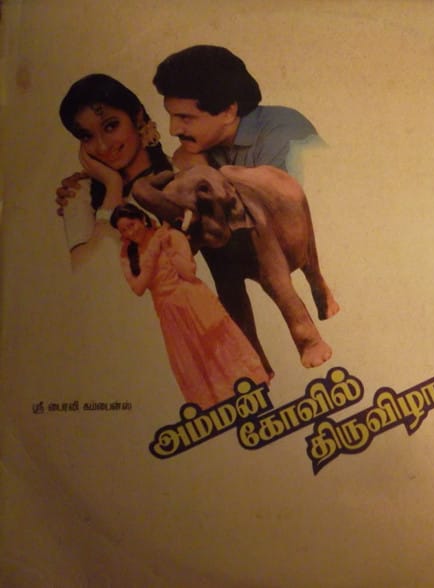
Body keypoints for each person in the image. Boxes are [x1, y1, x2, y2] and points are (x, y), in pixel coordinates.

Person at [110, 203, 270, 408]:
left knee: (220, 350)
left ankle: (251, 395)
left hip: (194, 301)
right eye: (123, 230)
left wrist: (168, 248)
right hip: (169, 313)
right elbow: (138, 287)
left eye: (131, 225)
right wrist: (154, 248)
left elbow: (188, 273)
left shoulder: (171, 236)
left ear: (142, 218)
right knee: (192, 362)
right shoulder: (127, 254)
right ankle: (218, 408)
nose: (130, 233)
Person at [152, 45, 321, 179]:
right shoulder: (209, 143)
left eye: (185, 118)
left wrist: (206, 175)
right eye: (171, 115)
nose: (173, 130)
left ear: (228, 112)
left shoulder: (284, 135)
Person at [56, 74, 172, 251]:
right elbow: (90, 266)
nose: (102, 147)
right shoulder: (79, 193)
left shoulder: (182, 174)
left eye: (110, 126)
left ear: (137, 116)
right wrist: (113, 185)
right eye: (87, 136)